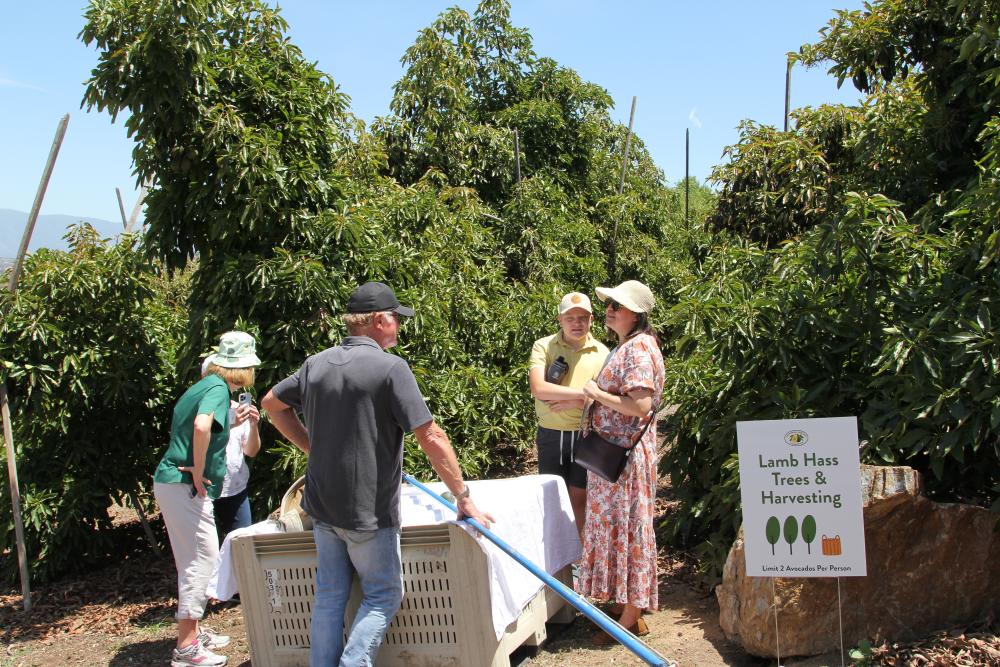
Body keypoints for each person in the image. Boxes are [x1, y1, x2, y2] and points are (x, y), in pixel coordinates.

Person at [261, 281, 494, 667]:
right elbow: (431, 436)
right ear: (380, 320)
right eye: (396, 319)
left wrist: (312, 448)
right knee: (383, 594)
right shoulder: (390, 368)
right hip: (368, 510)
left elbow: (272, 404)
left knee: (331, 594)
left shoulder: (315, 364)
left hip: (322, 506)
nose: (399, 327)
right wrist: (462, 495)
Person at [153, 331, 261, 667]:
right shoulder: (217, 389)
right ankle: (186, 647)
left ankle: (194, 634)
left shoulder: (205, 386)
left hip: (175, 484)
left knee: (195, 559)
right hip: (184, 484)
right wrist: (198, 472)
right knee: (201, 561)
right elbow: (202, 426)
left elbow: (202, 425)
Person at [576, 280, 664, 644]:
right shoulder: (628, 346)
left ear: (636, 314)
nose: (610, 309)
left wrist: (596, 393)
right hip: (614, 456)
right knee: (617, 527)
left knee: (630, 528)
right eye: (609, 304)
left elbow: (640, 406)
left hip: (624, 459)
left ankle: (631, 614)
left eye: (617, 305)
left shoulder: (639, 349)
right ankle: (625, 603)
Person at [528, 292, 610, 536]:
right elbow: (538, 388)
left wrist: (569, 398)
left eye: (583, 318)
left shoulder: (603, 353)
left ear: (592, 319)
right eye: (570, 318)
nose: (577, 323)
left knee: (579, 495)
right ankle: (556, 556)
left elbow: (605, 401)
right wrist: (582, 397)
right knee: (551, 495)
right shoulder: (544, 346)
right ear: (559, 320)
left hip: (585, 434)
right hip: (551, 434)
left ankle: (580, 555)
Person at [201, 354, 261, 542]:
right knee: (209, 550)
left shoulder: (238, 409)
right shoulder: (200, 411)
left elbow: (251, 451)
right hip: (205, 490)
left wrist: (252, 425)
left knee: (244, 545)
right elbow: (199, 438)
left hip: (235, 489)